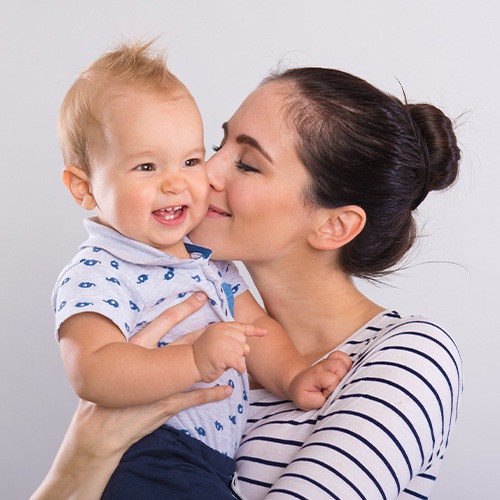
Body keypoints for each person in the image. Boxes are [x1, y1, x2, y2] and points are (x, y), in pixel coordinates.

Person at [33, 63, 463, 499]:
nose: (204, 174)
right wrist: (84, 455)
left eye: (248, 164)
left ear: (334, 226)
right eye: (217, 146)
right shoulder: (161, 300)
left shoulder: (407, 358)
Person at [51, 41, 351, 499]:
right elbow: (92, 372)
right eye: (146, 166)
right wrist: (190, 360)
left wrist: (293, 375)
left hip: (209, 461)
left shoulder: (206, 261)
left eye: (190, 160)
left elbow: (254, 328)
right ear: (84, 186)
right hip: (149, 453)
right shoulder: (99, 270)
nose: (179, 182)